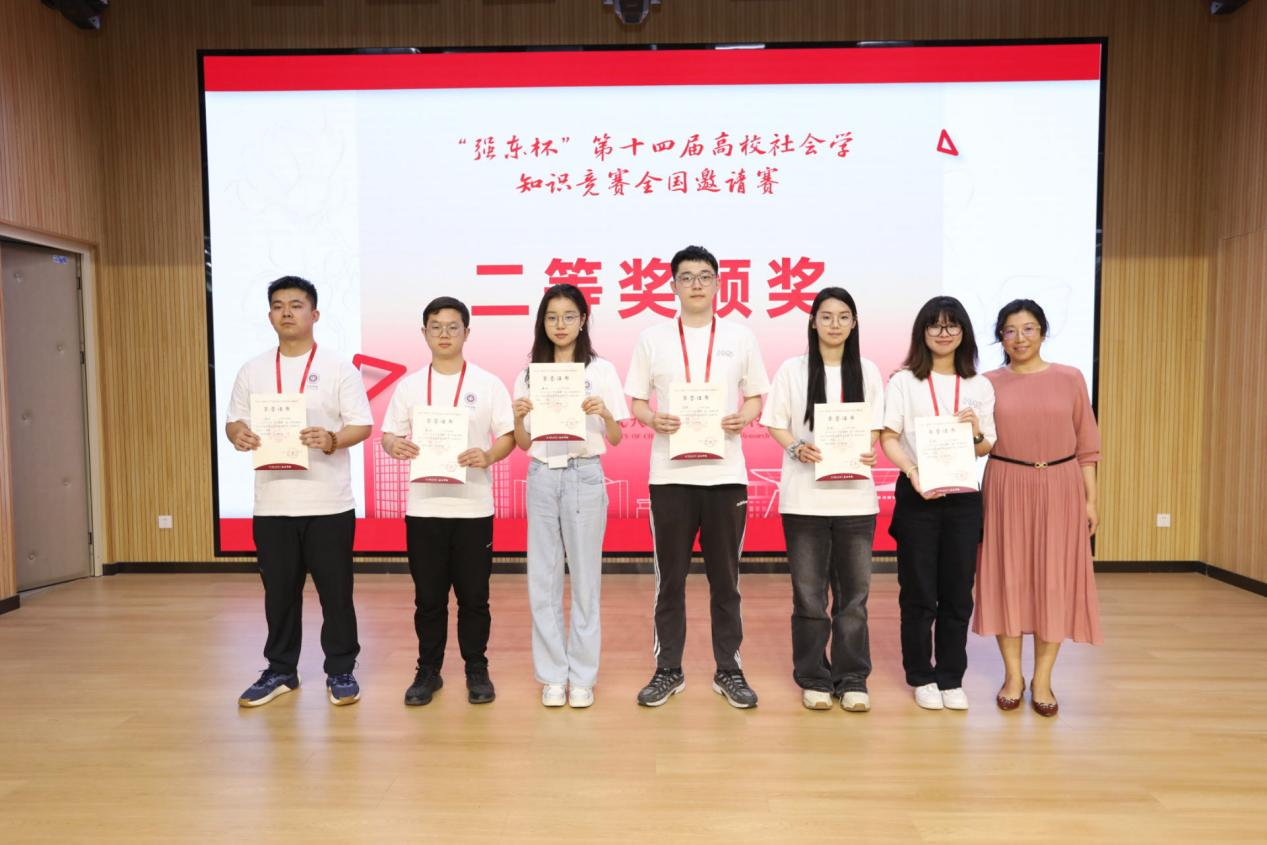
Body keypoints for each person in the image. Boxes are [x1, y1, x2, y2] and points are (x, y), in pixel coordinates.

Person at [624, 244, 770, 709]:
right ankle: (668, 669)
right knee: (670, 580)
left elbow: (756, 396)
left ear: (719, 284)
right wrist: (653, 419)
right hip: (670, 475)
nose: (696, 285)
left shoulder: (741, 337)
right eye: (686, 277)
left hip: (725, 475)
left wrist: (744, 416)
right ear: (673, 286)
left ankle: (729, 670)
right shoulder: (652, 338)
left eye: (705, 276)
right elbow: (637, 401)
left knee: (726, 580)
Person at [226, 276, 373, 708]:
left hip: (328, 502)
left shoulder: (338, 367)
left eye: (295, 304)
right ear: (270, 315)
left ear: (315, 314)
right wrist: (238, 435)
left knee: (335, 593)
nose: (286, 312)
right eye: (278, 305)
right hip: (272, 503)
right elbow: (234, 421)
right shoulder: (252, 369)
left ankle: (341, 669)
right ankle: (280, 671)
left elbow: (362, 425)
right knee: (279, 594)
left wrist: (331, 439)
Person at [381, 297, 515, 707]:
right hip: (424, 508)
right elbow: (388, 435)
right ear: (424, 333)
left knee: (475, 598)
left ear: (467, 333)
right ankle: (428, 670)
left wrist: (488, 455)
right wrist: (394, 445)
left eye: (453, 326)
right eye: (435, 326)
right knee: (428, 599)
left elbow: (508, 436)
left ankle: (477, 668)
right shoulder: (409, 386)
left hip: (473, 508)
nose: (444, 334)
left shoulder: (488, 384)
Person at [974, 299, 1102, 717]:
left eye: (1028, 328)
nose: (1020, 338)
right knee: (1008, 579)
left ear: (1043, 332)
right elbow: (979, 442)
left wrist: (1091, 499)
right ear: (1000, 337)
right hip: (1006, 484)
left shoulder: (1070, 377)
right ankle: (1013, 676)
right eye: (1010, 330)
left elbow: (1087, 446)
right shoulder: (987, 383)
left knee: (1053, 582)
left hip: (1061, 485)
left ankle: (1043, 680)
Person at [761, 288, 884, 712]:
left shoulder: (867, 370)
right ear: (812, 322)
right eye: (826, 316)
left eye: (843, 316)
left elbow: (875, 426)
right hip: (804, 501)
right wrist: (796, 447)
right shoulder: (792, 370)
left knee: (854, 600)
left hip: (855, 502)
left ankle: (852, 678)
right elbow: (775, 423)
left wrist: (867, 448)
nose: (835, 324)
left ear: (854, 323)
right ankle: (813, 676)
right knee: (809, 598)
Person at [512, 284, 629, 708]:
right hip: (542, 475)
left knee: (585, 580)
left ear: (583, 321)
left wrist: (605, 413)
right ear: (542, 323)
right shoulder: (529, 374)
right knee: (542, 580)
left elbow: (615, 437)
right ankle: (551, 675)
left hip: (585, 474)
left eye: (568, 316)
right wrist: (519, 418)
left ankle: (582, 676)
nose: (559, 324)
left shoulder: (602, 371)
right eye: (551, 317)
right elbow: (523, 444)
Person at [880, 296, 995, 711]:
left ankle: (950, 676)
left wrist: (976, 431)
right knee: (918, 591)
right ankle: (920, 675)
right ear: (922, 332)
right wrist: (913, 472)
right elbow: (888, 436)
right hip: (918, 495)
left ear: (964, 332)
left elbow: (985, 446)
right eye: (935, 325)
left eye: (952, 325)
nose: (943, 333)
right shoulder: (904, 381)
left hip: (963, 499)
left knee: (958, 592)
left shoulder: (979, 385)